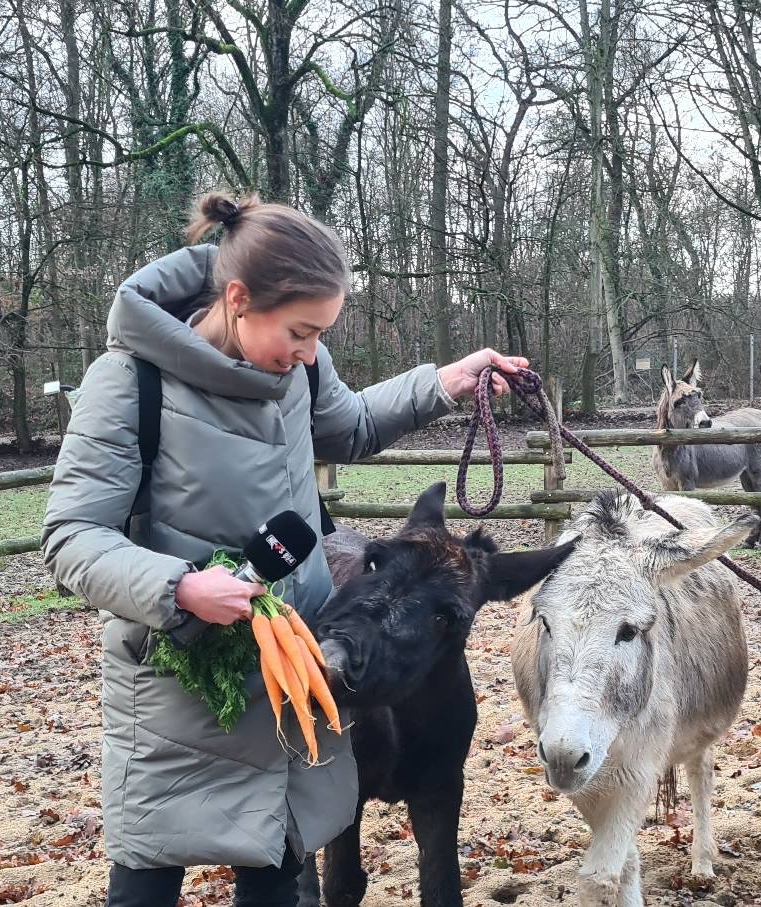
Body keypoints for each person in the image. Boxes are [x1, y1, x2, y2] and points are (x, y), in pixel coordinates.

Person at [41, 191, 527, 906]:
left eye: (320, 336)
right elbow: (70, 538)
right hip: (180, 691)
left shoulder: (297, 368)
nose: (309, 353)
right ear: (238, 298)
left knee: (278, 879)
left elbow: (352, 424)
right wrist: (179, 588)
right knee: (147, 880)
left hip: (293, 673)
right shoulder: (128, 381)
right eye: (300, 332)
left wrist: (445, 382)